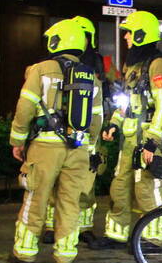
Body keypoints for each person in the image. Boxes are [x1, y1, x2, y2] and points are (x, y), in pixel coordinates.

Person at [8, 18, 100, 263]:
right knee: (70, 203)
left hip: (45, 147)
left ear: (56, 40)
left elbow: (25, 106)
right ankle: (65, 255)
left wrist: (17, 139)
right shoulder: (90, 75)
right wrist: (90, 148)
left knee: (35, 198)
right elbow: (97, 119)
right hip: (78, 148)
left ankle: (25, 252)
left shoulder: (40, 69)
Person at [93, 10, 162, 249]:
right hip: (129, 140)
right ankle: (116, 235)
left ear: (141, 34)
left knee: (147, 188)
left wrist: (152, 142)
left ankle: (152, 239)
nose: (126, 36)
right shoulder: (133, 65)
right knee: (119, 187)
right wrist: (114, 124)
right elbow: (127, 101)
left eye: (129, 32)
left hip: (146, 140)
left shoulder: (157, 64)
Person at [42, 15, 117, 248]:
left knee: (86, 184)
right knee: (58, 184)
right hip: (63, 131)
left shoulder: (102, 63)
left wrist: (111, 121)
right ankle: (52, 227)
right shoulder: (56, 63)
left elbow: (114, 89)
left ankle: (83, 228)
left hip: (92, 128)